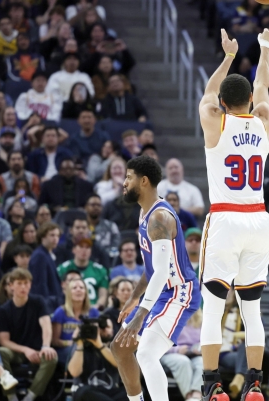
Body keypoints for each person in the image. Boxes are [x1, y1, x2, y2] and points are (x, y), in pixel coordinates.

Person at [196, 28, 269, 401]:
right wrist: (265, 49)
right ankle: (255, 383)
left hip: (226, 218)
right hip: (259, 220)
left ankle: (213, 383)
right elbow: (263, 85)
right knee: (252, 310)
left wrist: (227, 57)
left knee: (213, 308)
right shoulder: (263, 121)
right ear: (247, 99)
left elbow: (206, 96)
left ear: (224, 103)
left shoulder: (215, 120)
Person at [112, 156, 201, 401]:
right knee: (120, 347)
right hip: (161, 291)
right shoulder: (144, 212)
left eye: (129, 177)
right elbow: (152, 267)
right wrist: (134, 297)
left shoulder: (159, 218)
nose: (124, 182)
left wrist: (141, 313)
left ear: (143, 181)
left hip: (178, 292)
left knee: (146, 355)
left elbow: (162, 273)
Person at [0, 268, 58, 401]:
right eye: (19, 283)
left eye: (26, 283)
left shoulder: (39, 302)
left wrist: (46, 346)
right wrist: (25, 350)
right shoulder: (3, 310)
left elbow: (46, 325)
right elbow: (4, 340)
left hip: (37, 350)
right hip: (16, 352)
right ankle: (11, 396)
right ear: (11, 285)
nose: (23, 287)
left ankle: (31, 396)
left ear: (30, 284)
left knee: (51, 357)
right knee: (1, 352)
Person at [67, 314, 124, 401]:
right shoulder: (81, 346)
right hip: (87, 390)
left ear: (113, 331)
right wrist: (79, 344)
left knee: (137, 391)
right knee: (84, 392)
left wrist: (99, 345)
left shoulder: (116, 347)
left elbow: (121, 365)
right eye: (100, 327)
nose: (104, 329)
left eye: (107, 327)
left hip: (110, 392)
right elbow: (74, 372)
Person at [51, 278, 99, 365]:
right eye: (74, 288)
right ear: (69, 293)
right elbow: (54, 340)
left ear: (85, 292)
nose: (78, 290)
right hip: (66, 349)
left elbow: (97, 335)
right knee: (78, 351)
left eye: (81, 287)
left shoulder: (93, 312)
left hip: (89, 347)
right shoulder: (61, 312)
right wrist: (71, 343)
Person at [161, 310, 204, 401]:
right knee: (183, 361)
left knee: (203, 362)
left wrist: (200, 348)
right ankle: (189, 395)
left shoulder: (200, 318)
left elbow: (203, 340)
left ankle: (196, 394)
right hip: (169, 353)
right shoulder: (165, 316)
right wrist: (177, 349)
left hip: (192, 353)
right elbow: (158, 343)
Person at [57, 238, 109, 307]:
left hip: (93, 309)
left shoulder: (100, 270)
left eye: (87, 247)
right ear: (73, 250)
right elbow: (58, 293)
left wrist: (95, 309)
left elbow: (103, 296)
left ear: (91, 251)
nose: (84, 250)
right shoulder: (62, 269)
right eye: (81, 246)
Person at [28, 222, 64, 309]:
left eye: (57, 236)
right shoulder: (40, 256)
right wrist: (45, 307)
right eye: (52, 235)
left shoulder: (47, 254)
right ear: (43, 236)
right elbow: (40, 285)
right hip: (46, 305)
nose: (56, 239)